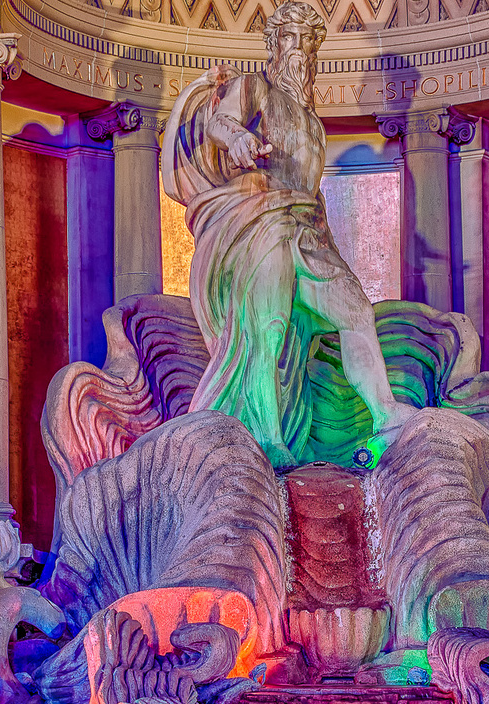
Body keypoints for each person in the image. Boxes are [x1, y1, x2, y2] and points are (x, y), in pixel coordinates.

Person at [162, 0, 414, 469]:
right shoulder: (254, 88)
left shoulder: (315, 126)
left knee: (356, 311)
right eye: (288, 39)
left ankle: (384, 412)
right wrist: (235, 137)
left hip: (305, 230)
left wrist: (329, 243)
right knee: (268, 329)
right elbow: (218, 119)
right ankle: (269, 436)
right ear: (274, 46)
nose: (297, 50)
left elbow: (313, 197)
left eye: (305, 42)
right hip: (261, 227)